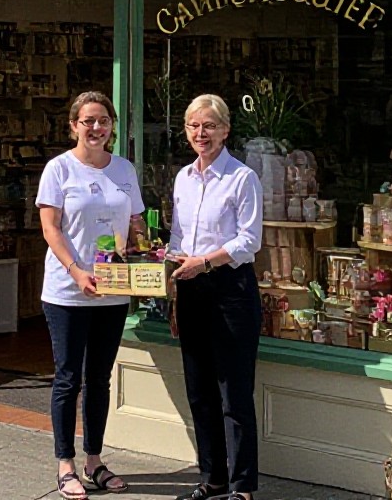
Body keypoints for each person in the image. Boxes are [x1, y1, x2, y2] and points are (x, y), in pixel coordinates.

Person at [36, 91, 146, 499]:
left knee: (99, 378)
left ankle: (94, 460)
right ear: (74, 126)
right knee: (68, 377)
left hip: (112, 291)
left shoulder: (124, 169)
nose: (96, 128)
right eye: (88, 121)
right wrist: (77, 271)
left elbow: (135, 221)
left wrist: (146, 254)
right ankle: (65, 464)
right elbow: (51, 229)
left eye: (103, 121)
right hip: (68, 291)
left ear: (112, 126)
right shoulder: (59, 169)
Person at [169, 94, 263, 500]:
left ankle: (242, 488)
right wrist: (174, 289)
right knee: (200, 392)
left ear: (225, 130)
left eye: (209, 126)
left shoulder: (242, 178)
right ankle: (212, 479)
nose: (200, 134)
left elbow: (249, 241)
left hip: (231, 290)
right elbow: (176, 238)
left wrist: (204, 263)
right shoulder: (182, 178)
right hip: (191, 289)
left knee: (233, 393)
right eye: (193, 126)